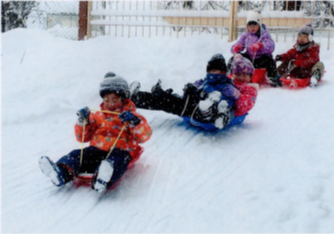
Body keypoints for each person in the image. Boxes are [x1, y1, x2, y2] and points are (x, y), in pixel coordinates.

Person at [39, 73, 152, 193]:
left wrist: (135, 122)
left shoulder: (132, 116)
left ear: (123, 99)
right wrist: (83, 121)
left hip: (120, 150)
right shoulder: (97, 115)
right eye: (106, 100)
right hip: (97, 149)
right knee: (77, 154)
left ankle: (103, 179)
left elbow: (144, 136)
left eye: (115, 100)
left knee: (117, 161)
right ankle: (61, 173)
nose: (110, 104)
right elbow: (82, 137)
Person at [130, 54, 243, 130]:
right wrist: (191, 89)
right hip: (190, 107)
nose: (211, 73)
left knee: (215, 102)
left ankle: (207, 109)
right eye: (209, 71)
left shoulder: (225, 85)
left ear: (223, 72)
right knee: (166, 102)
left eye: (214, 70)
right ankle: (136, 98)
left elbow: (231, 99)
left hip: (207, 113)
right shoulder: (204, 82)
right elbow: (195, 87)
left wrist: (211, 98)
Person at [229, 9, 277, 85]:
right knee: (234, 59)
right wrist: (236, 47)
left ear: (259, 25)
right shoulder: (245, 35)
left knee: (270, 61)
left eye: (255, 25)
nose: (252, 27)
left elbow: (271, 46)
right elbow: (239, 43)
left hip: (261, 59)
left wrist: (261, 45)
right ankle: (232, 74)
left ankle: (272, 77)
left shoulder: (264, 34)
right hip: (250, 59)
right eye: (250, 25)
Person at [274, 23, 325, 87]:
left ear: (310, 38)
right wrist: (281, 57)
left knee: (319, 64)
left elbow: (312, 60)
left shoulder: (313, 48)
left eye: (304, 37)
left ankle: (315, 77)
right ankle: (276, 76)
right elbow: (289, 54)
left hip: (308, 72)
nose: (301, 38)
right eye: (300, 36)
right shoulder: (296, 48)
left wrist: (298, 63)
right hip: (297, 71)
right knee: (286, 63)